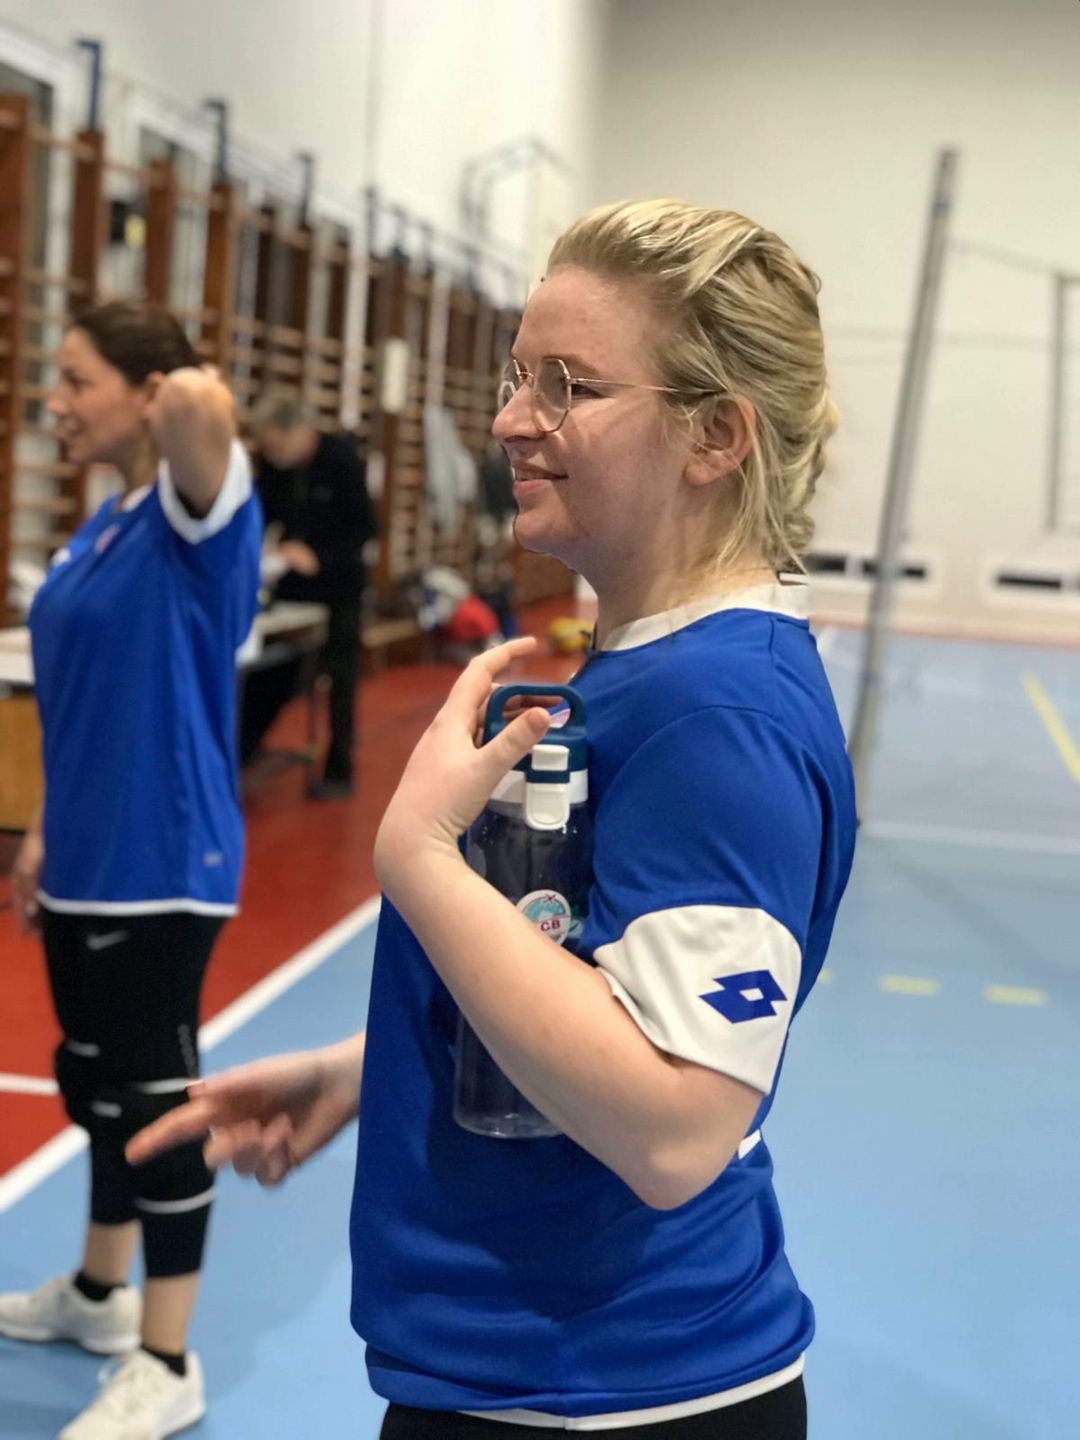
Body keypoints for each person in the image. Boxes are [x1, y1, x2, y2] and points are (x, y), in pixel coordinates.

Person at [130, 200, 857, 1438]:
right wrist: (375, 1065)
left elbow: (677, 1125)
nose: (514, 419)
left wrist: (419, 861)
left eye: (570, 386)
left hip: (609, 1395)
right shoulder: (655, 668)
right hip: (530, 1377)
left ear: (715, 434)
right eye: (521, 377)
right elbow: (599, 978)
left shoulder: (717, 712)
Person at [1, 300, 262, 1439]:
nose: (53, 402)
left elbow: (201, 400)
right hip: (85, 857)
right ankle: (102, 1295)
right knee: (94, 1084)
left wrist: (168, 385)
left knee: (155, 1107)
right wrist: (43, 832)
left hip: (162, 862)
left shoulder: (195, 515)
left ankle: (166, 1357)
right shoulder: (102, 524)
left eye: (76, 380)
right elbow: (80, 706)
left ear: (146, 394)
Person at [245, 394, 379, 799]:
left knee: (340, 678)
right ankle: (244, 747)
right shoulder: (273, 466)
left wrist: (318, 558)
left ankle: (339, 767)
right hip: (290, 584)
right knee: (269, 668)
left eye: (275, 445)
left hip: (339, 584)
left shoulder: (341, 460)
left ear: (298, 432)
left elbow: (365, 529)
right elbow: (260, 514)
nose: (272, 455)